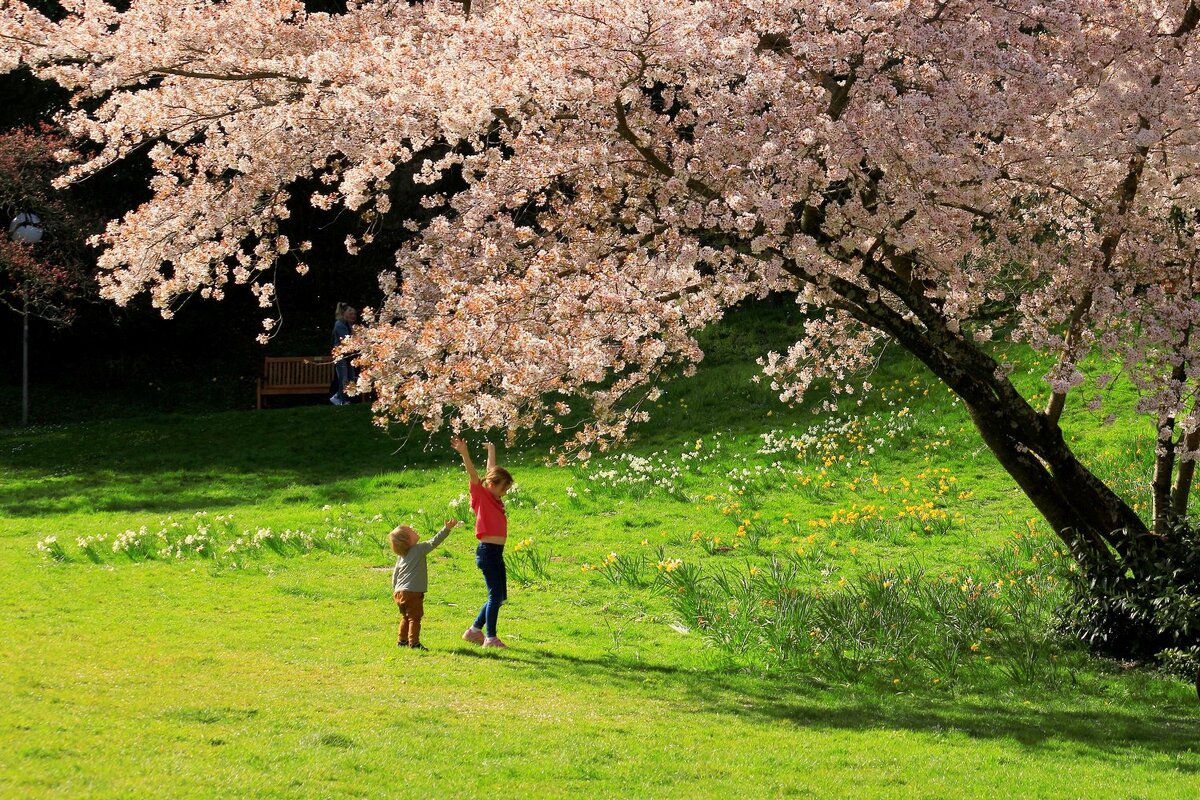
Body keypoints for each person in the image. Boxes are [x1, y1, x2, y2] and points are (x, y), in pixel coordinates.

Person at [451, 437, 514, 649]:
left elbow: (490, 470)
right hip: (487, 552)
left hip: (496, 552)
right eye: (504, 488)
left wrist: (492, 450)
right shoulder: (481, 495)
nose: (505, 493)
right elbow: (474, 474)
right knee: (495, 594)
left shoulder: (494, 498)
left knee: (500, 595)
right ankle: (491, 637)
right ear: (493, 485)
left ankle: (474, 631)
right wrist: (464, 453)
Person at [389, 518, 459, 650]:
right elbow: (434, 542)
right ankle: (414, 643)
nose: (414, 530)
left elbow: (395, 574)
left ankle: (401, 641)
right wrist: (447, 529)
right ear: (407, 540)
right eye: (411, 531)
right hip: (413, 591)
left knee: (405, 617)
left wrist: (395, 589)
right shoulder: (418, 549)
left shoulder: (401, 556)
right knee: (415, 618)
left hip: (399, 592)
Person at [330, 303, 358, 406]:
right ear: (343, 313)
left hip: (348, 354)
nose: (353, 316)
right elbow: (346, 339)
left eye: (354, 314)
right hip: (341, 355)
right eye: (350, 313)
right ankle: (342, 401)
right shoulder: (339, 325)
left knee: (350, 378)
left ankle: (337, 397)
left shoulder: (348, 325)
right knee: (343, 378)